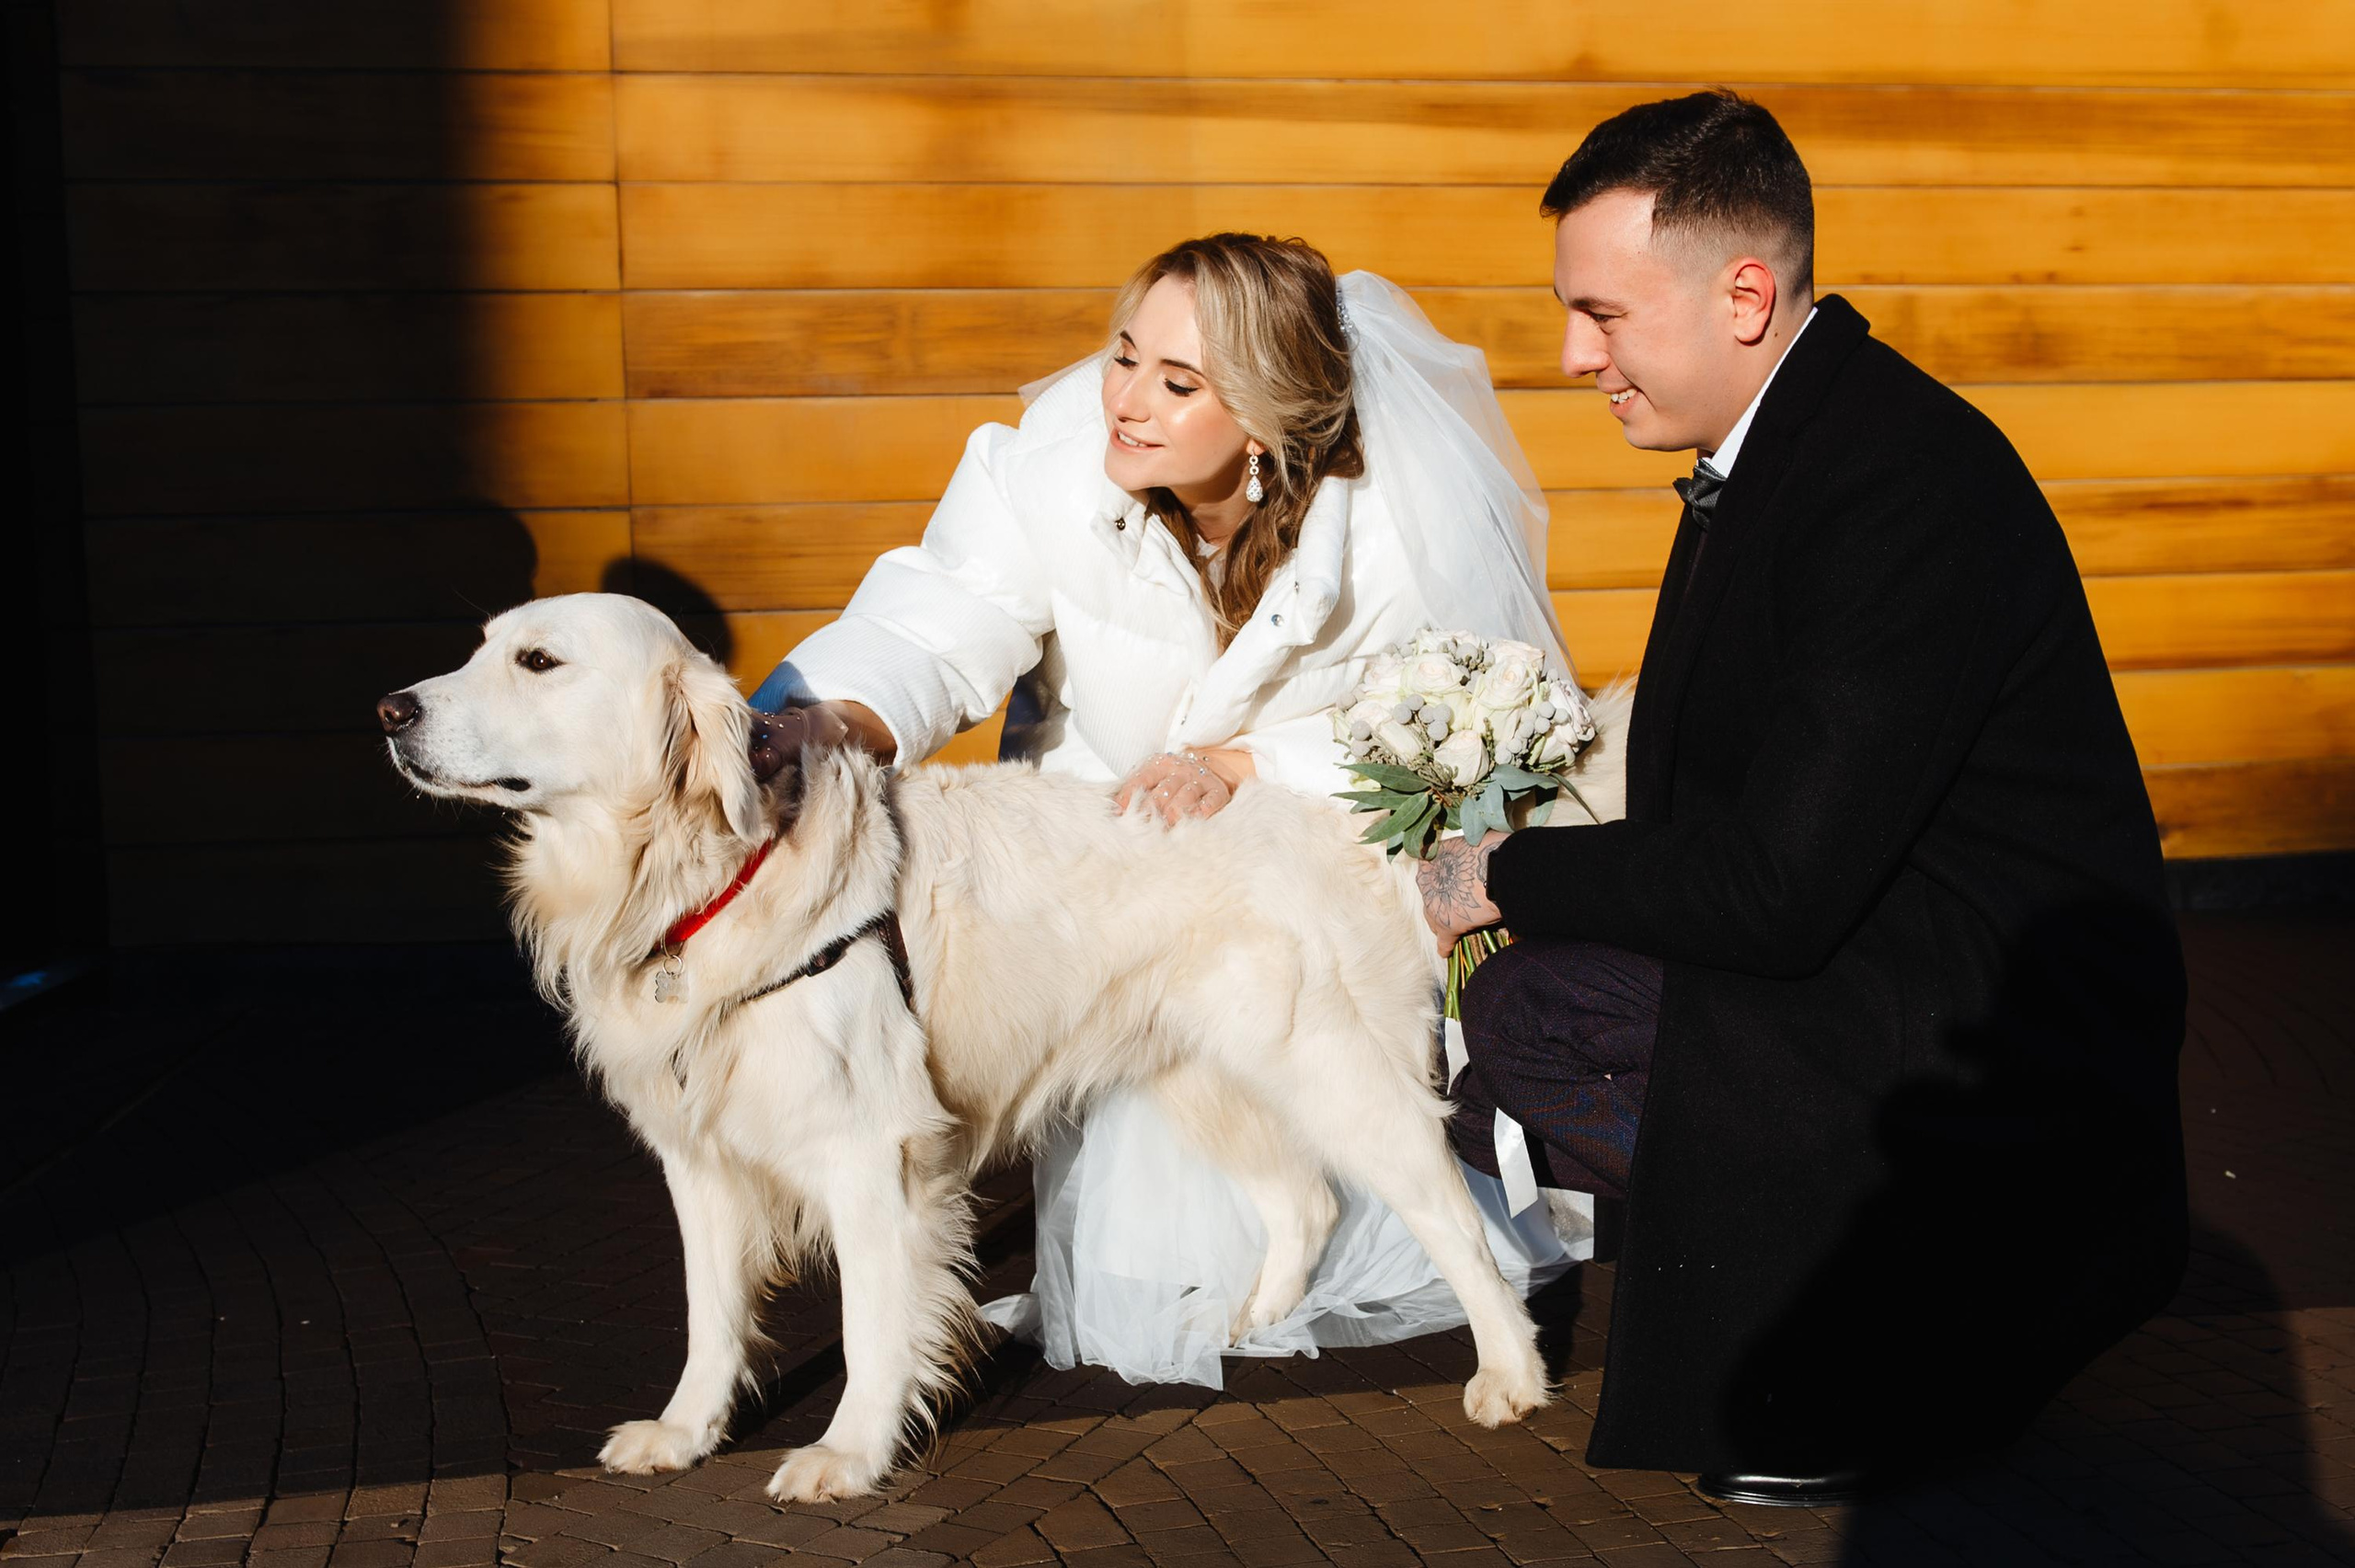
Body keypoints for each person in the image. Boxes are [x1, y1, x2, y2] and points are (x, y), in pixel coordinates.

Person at [1416, 90, 2189, 1504]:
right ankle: (1843, 1342)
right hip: (1885, 957)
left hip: (1998, 1032)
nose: (1574, 356)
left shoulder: (1896, 481)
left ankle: (1875, 1358)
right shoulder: (1794, 448)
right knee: (1525, 1016)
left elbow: (1778, 885)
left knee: (1542, 1009)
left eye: (1604, 314)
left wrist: (1509, 873)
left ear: (1747, 295)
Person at [748, 234, 1595, 1386]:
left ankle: (1384, 1235)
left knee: (1313, 1051)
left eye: (1178, 383)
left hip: (1313, 854)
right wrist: (824, 716)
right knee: (1137, 1252)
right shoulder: (1052, 462)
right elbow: (937, 616)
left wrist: (1253, 759)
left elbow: (1461, 709)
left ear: (1263, 422)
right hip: (1109, 861)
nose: (1126, 401)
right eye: (1122, 354)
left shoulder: (1394, 515)